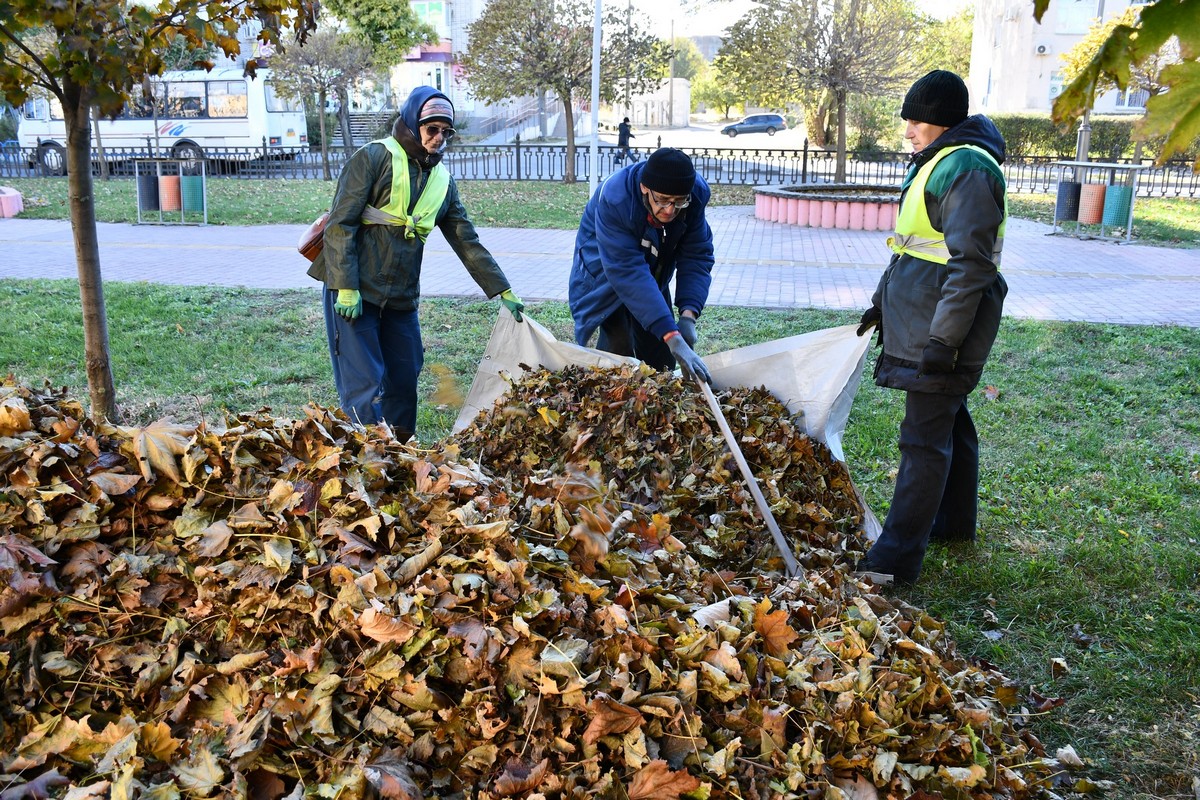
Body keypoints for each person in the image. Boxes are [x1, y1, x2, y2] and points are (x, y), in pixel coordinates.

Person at [854, 69, 1008, 585]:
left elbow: (971, 266)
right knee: (950, 419)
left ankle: (893, 562)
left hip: (944, 324)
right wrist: (882, 300)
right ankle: (954, 523)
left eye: (916, 121)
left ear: (943, 122)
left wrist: (945, 340)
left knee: (923, 439)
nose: (908, 131)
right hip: (926, 314)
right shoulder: (940, 161)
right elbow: (914, 245)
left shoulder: (964, 168)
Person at [307, 86, 524, 440]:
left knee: (405, 376)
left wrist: (502, 288)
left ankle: (401, 452)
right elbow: (340, 224)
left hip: (401, 297)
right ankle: (369, 460)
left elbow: (465, 239)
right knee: (365, 381)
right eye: (431, 129)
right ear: (411, 124)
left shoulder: (442, 182)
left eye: (446, 131)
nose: (439, 138)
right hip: (355, 290)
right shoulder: (373, 158)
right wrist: (346, 286)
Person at [569, 147, 714, 384]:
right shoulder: (616, 198)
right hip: (606, 269)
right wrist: (671, 334)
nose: (670, 210)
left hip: (653, 267)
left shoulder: (694, 195)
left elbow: (697, 255)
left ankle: (656, 405)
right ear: (644, 188)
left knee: (662, 355)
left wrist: (688, 316)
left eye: (679, 202)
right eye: (662, 200)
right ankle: (610, 398)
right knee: (618, 347)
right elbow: (627, 272)